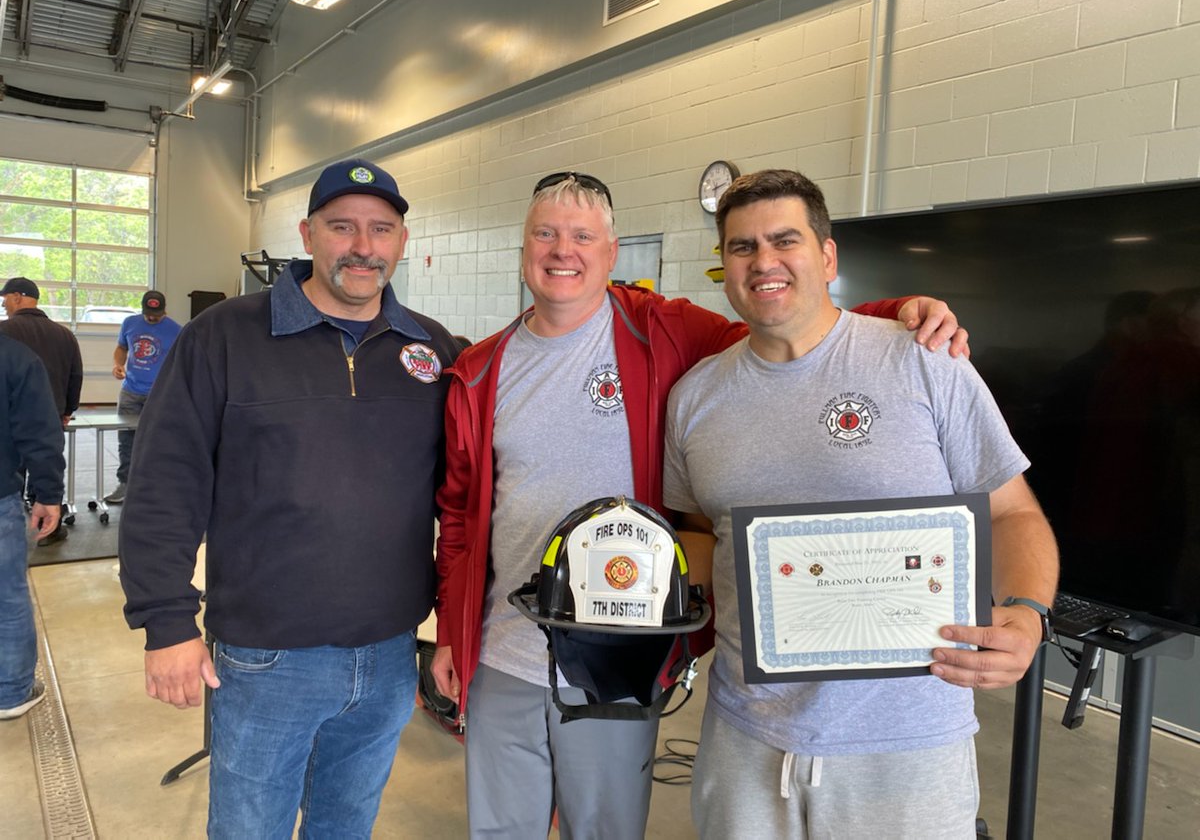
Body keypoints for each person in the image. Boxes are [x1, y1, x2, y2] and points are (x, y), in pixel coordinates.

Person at [432, 171, 970, 839]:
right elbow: (458, 516)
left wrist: (900, 311)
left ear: (610, 250)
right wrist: (453, 633)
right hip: (504, 647)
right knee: (499, 829)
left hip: (617, 651)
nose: (561, 250)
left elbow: (786, 323)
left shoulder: (667, 331)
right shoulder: (481, 369)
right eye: (545, 233)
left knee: (603, 829)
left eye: (581, 236)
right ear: (524, 247)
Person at [661, 169, 1059, 838]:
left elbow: (1013, 513)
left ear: (826, 255)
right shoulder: (696, 398)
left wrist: (1026, 617)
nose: (763, 262)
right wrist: (634, 581)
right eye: (741, 247)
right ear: (724, 265)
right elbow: (703, 530)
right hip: (748, 737)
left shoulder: (924, 361)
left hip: (909, 744)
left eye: (784, 240)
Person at [118, 158, 460, 838]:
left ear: (400, 240)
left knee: (346, 823)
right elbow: (165, 482)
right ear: (308, 235)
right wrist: (167, 620)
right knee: (251, 829)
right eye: (342, 227)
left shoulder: (430, 349)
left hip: (391, 650)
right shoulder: (225, 338)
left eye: (381, 229)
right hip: (267, 656)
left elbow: (462, 501)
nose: (363, 246)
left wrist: (455, 623)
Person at [0, 334, 65, 720]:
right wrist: (48, 493)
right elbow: (39, 431)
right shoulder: (14, 358)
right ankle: (10, 692)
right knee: (7, 597)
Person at [0, 277, 83, 546]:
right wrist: (68, 409)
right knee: (46, 467)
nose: (5, 306)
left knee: (13, 472)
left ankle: (16, 522)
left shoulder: (4, 332)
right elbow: (75, 375)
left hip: (9, 419)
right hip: (52, 414)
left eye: (5, 301)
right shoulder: (64, 334)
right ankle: (49, 527)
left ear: (16, 297)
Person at [105, 289, 182, 504]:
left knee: (158, 439)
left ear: (164, 311)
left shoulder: (176, 330)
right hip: (130, 391)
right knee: (126, 440)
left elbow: (181, 361)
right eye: (148, 313)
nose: (151, 318)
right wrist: (118, 365)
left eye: (156, 315)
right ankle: (125, 483)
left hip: (159, 394)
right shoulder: (130, 323)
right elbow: (121, 348)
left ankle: (156, 485)